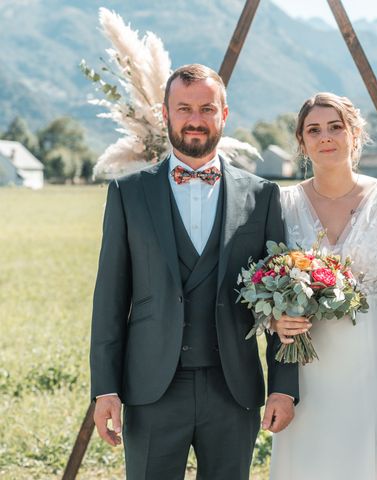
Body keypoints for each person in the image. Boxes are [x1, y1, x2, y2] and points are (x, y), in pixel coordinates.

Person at [90, 64, 298, 480]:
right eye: (184, 108)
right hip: (151, 389)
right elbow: (110, 298)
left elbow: (285, 300)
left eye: (206, 108)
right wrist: (105, 388)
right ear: (165, 114)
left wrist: (284, 385)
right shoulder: (128, 193)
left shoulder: (262, 196)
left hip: (233, 386)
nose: (195, 119)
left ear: (224, 114)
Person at [268, 92, 377, 480]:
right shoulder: (280, 205)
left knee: (376, 457)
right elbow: (263, 282)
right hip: (308, 364)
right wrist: (274, 318)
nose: (326, 137)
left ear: (355, 134)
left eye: (335, 127)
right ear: (302, 142)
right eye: (313, 130)